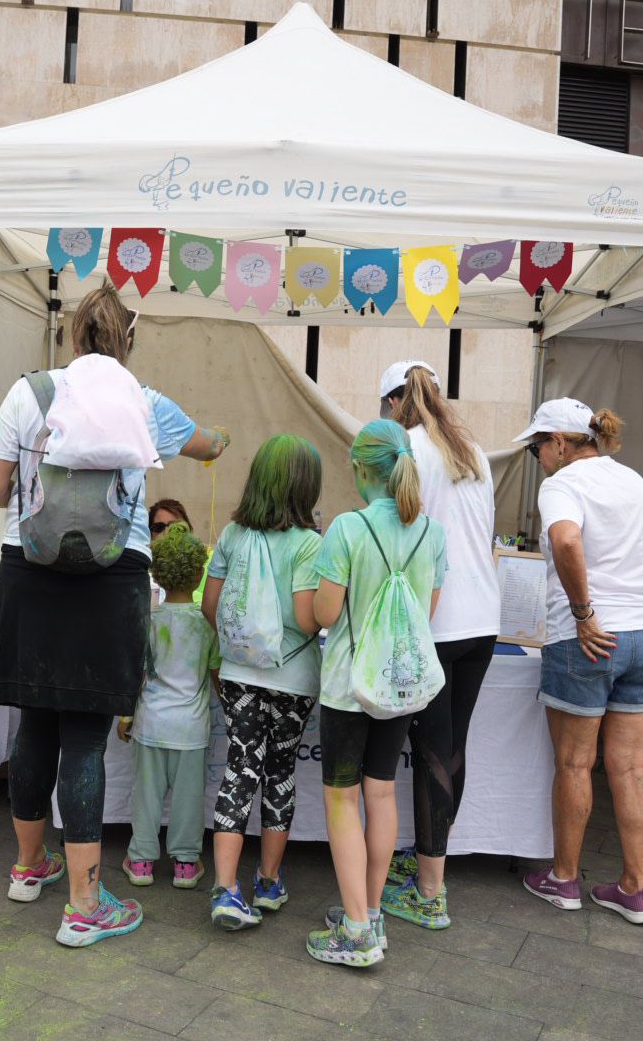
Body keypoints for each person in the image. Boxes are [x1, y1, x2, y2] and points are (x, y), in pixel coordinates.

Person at [0, 284, 229, 949]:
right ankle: (85, 904)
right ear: (128, 339)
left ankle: (31, 867)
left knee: (35, 724)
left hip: (27, 573)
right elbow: (209, 446)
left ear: (70, 335)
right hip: (111, 579)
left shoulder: (27, 393)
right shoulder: (145, 404)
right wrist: (217, 436)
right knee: (84, 738)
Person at [514, 399, 643, 926]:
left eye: (537, 446)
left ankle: (564, 879)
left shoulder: (563, 484)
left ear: (561, 442)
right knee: (631, 763)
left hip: (588, 637)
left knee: (574, 762)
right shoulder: (640, 484)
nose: (537, 456)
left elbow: (565, 539)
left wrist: (584, 613)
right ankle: (634, 890)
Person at [307, 420, 447, 968]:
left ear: (364, 469)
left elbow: (324, 614)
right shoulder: (432, 533)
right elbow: (426, 613)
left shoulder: (346, 529)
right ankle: (367, 909)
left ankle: (358, 930)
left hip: (348, 686)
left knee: (342, 800)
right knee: (381, 793)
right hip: (401, 685)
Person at [377, 361, 499, 930]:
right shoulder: (471, 449)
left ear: (393, 403)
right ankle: (433, 869)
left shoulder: (404, 446)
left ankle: (429, 891)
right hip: (484, 619)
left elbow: (398, 527)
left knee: (429, 752)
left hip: (437, 620)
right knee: (452, 748)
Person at [201, 433, 325, 931]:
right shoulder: (309, 543)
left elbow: (211, 605)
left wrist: (243, 640)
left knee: (239, 769)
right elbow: (305, 618)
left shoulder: (233, 535)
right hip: (292, 678)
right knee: (279, 770)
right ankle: (269, 881)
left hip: (237, 676)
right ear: (305, 487)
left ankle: (226, 888)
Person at [119, 523, 219, 892]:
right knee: (188, 800)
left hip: (151, 724)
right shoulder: (207, 624)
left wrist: (127, 715)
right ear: (198, 573)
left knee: (145, 796)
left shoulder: (148, 620)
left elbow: (138, 675)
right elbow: (217, 675)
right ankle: (186, 864)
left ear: (157, 573)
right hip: (191, 729)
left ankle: (142, 860)